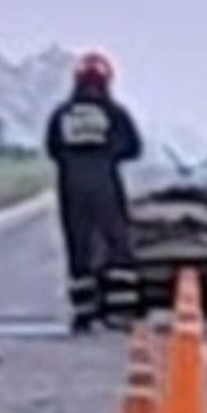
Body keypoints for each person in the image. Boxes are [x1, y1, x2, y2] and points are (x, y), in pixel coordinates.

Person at [44, 52, 144, 333]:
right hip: (105, 183)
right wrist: (107, 154)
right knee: (117, 243)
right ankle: (121, 310)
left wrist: (74, 158)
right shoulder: (115, 113)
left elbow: (52, 149)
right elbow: (133, 148)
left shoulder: (61, 114)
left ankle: (84, 313)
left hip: (71, 185)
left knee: (79, 245)